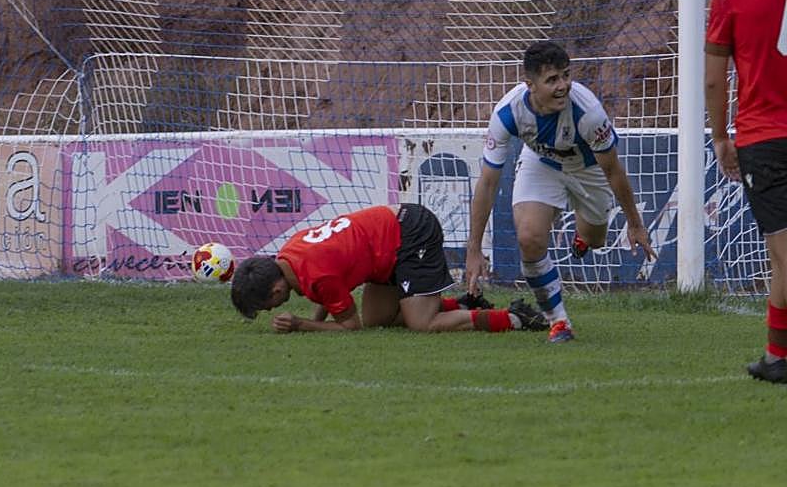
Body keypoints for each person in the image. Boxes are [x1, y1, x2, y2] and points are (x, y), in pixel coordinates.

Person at [464, 40, 656, 343]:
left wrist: (635, 223)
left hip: (589, 170)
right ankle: (559, 322)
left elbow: (613, 170)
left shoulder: (588, 112)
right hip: (542, 163)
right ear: (530, 85)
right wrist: (474, 249)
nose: (563, 86)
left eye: (566, 75)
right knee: (528, 237)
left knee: (596, 239)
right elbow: (487, 183)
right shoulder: (507, 114)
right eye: (552, 79)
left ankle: (583, 235)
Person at [229, 203, 546, 334]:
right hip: (388, 245)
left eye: (265, 304)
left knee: (422, 324)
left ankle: (515, 317)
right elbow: (326, 294)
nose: (269, 307)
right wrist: (314, 317)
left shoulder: (316, 275)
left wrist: (302, 325)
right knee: (379, 320)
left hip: (410, 233)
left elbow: (349, 327)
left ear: (276, 290)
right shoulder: (289, 255)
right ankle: (462, 305)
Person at [705, 0, 787, 384]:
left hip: (766, 137)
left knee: (782, 251)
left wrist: (719, 137)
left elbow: (716, 78)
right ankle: (778, 356)